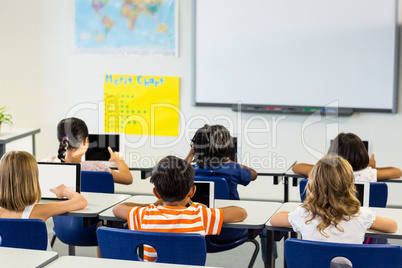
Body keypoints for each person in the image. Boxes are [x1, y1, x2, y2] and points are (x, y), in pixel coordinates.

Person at [113, 155, 247, 262]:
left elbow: (118, 208)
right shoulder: (200, 215)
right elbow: (241, 213)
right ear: (192, 191)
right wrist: (204, 207)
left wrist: (152, 206)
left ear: (157, 193)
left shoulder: (145, 215)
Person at [270, 154, 397, 243]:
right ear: (349, 185)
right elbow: (393, 226)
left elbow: (274, 219)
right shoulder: (361, 215)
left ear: (313, 184)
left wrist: (298, 212)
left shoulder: (304, 214)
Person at [0, 151, 88, 250]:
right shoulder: (40, 211)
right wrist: (65, 190)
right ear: (33, 180)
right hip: (43, 263)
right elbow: (81, 201)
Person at [46, 117, 132, 185]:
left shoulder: (48, 164)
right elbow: (128, 179)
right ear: (85, 141)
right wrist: (118, 160)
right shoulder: (97, 167)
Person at [185, 124, 257, 200]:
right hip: (229, 210)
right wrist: (232, 162)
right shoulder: (234, 170)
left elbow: (181, 170)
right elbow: (254, 174)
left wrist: (191, 153)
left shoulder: (191, 171)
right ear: (227, 147)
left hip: (202, 210)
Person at [292, 132, 402, 181]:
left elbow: (297, 167)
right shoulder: (368, 174)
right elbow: (397, 172)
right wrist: (372, 167)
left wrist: (324, 163)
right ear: (362, 154)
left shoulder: (325, 173)